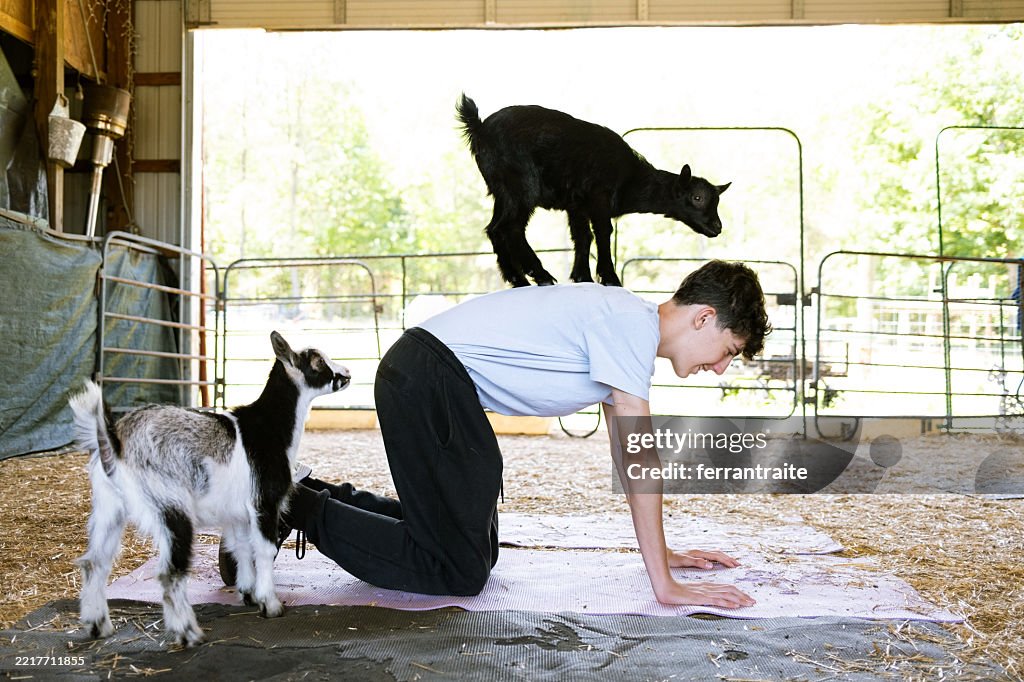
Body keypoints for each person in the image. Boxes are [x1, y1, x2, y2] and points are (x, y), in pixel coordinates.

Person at [220, 259, 771, 608]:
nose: (721, 367)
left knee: (474, 552)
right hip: (429, 378)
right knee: (455, 568)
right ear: (703, 318)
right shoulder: (631, 324)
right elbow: (640, 460)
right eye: (729, 351)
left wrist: (664, 554)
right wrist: (665, 586)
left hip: (433, 381)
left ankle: (314, 498)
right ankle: (288, 508)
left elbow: (628, 461)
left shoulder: (624, 324)